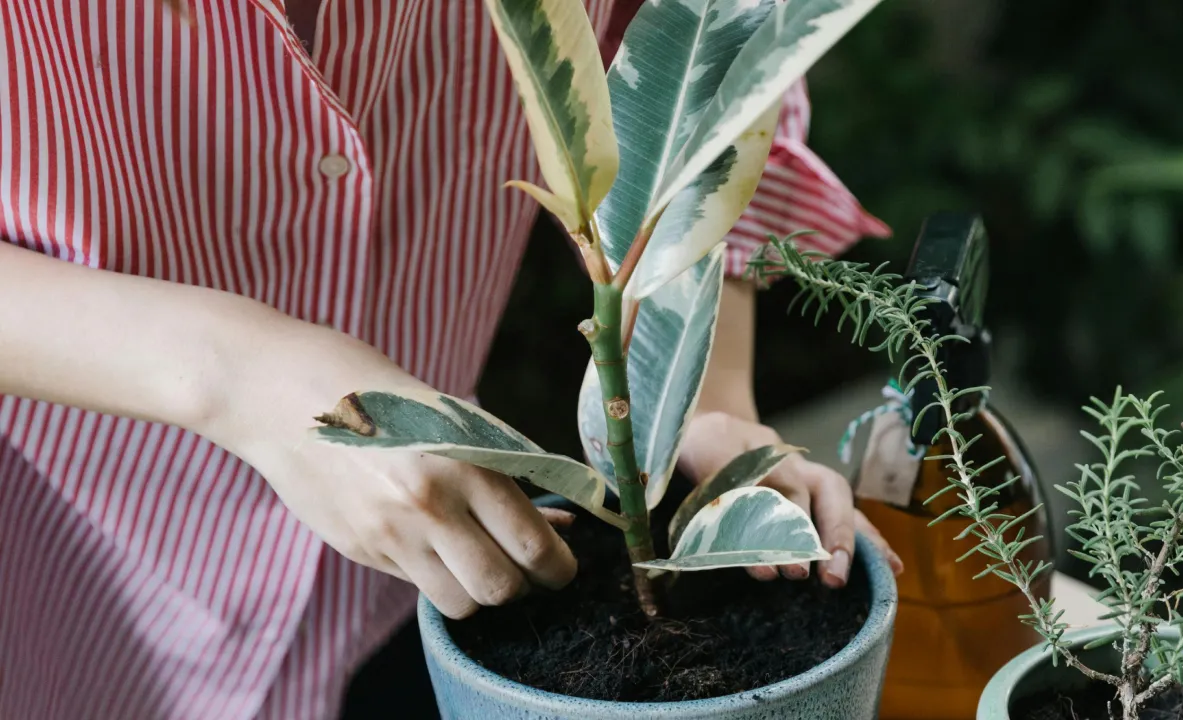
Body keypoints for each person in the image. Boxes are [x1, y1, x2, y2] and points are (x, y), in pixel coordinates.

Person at [0, 1, 903, 718]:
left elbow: (712, 68)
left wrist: (703, 401)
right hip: (60, 590)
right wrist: (241, 377)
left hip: (406, 597)